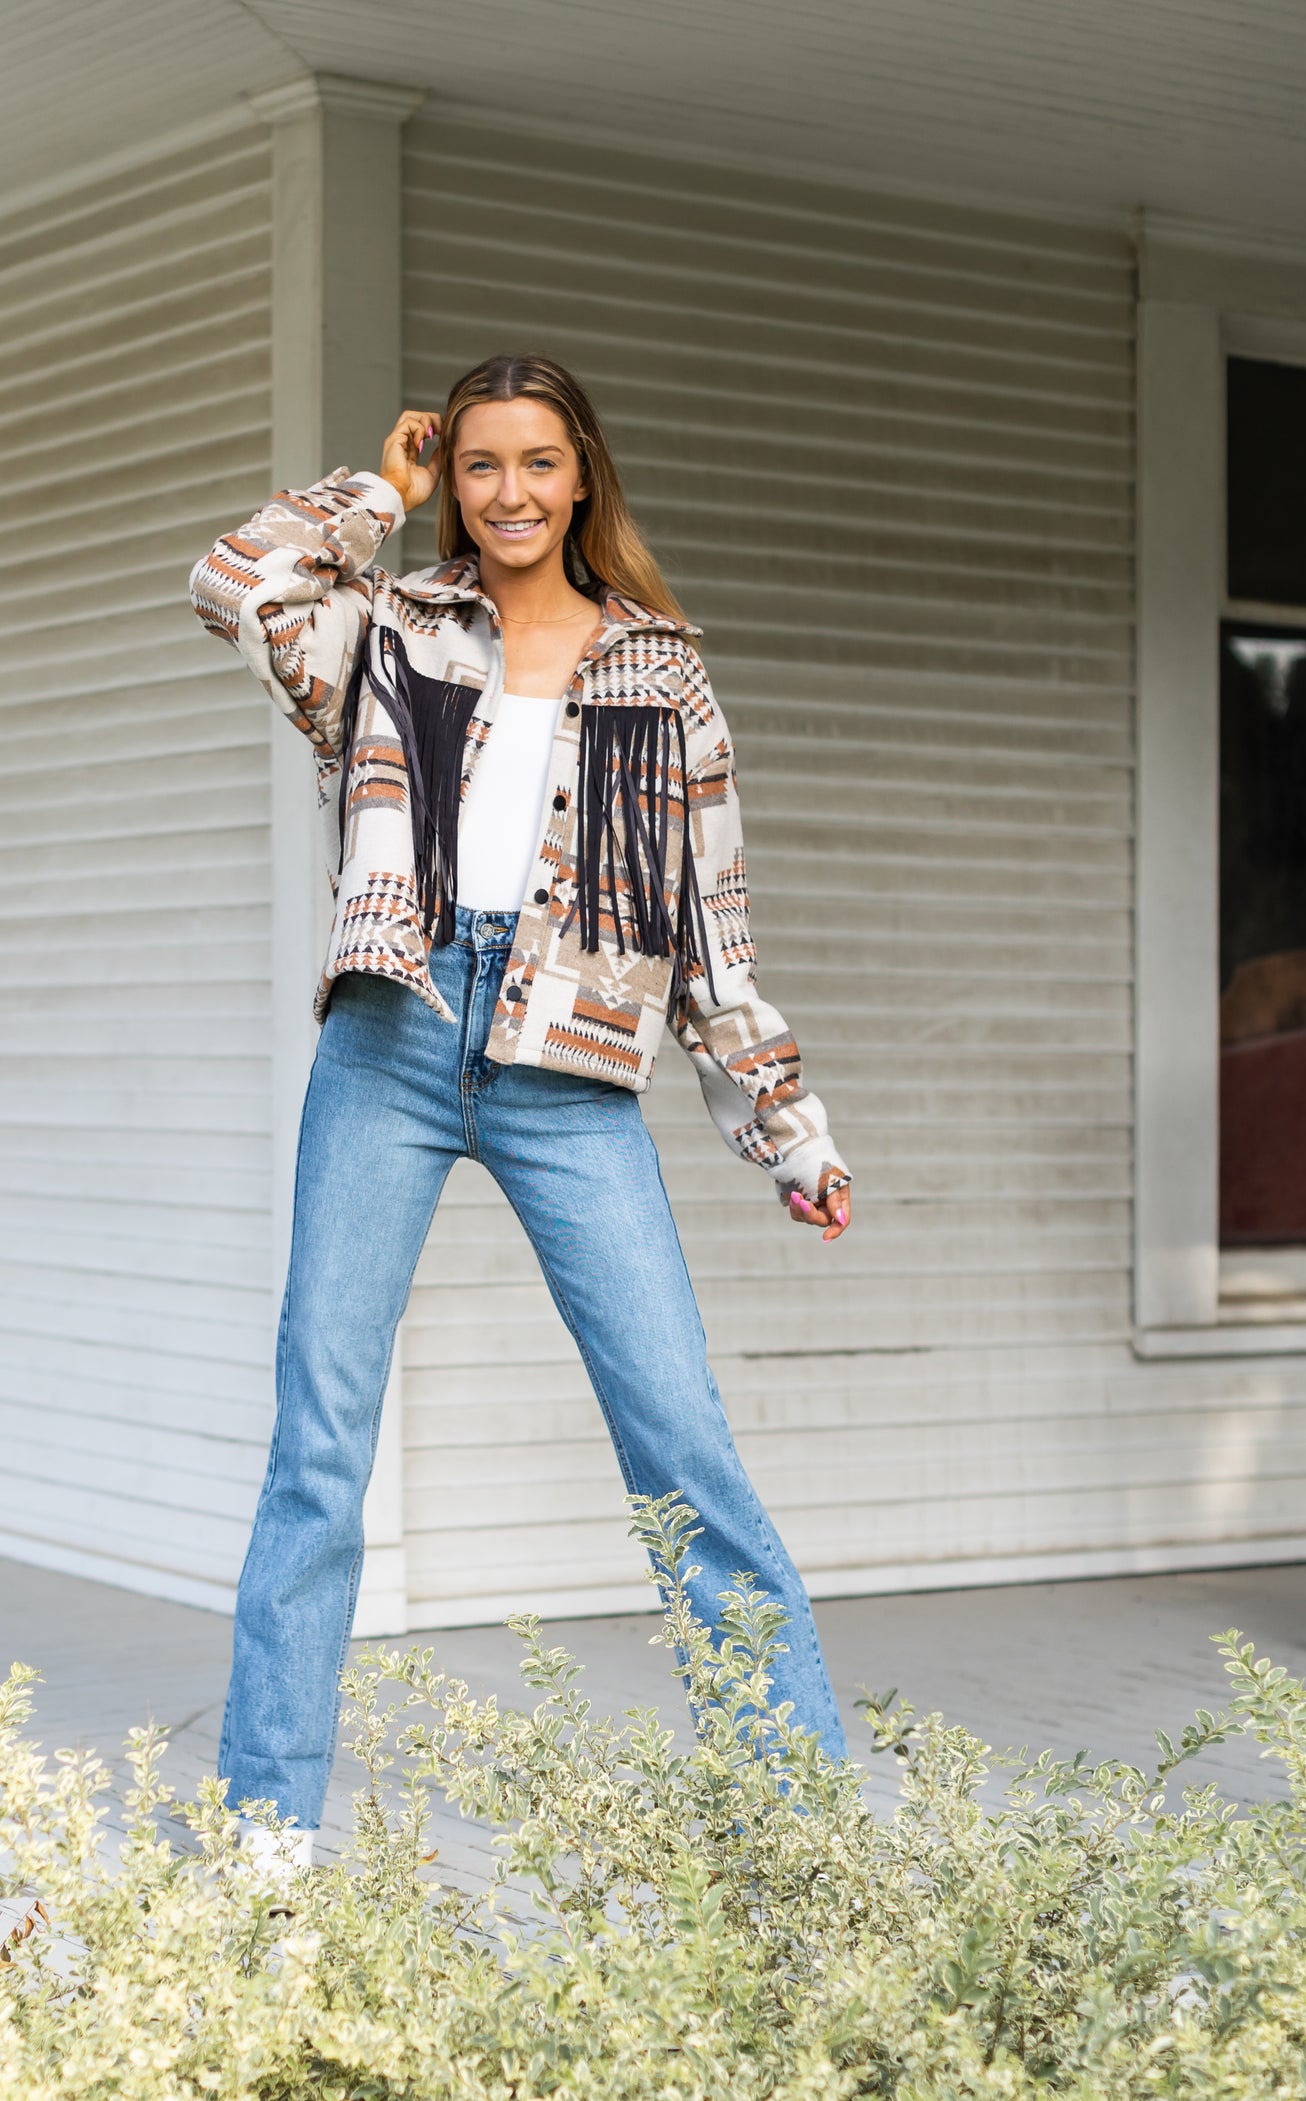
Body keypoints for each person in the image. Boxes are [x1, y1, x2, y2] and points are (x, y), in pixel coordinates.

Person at [189, 353, 853, 1863]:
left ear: (583, 477)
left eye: (536, 464)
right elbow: (236, 580)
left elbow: (712, 938)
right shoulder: (388, 633)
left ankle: (802, 1842)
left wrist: (788, 1131)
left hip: (574, 1070)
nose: (507, 494)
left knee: (683, 1442)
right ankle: (261, 1850)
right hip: (395, 1036)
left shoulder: (663, 671)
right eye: (479, 464)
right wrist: (380, 488)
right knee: (318, 1449)